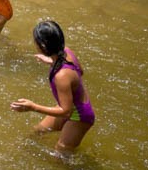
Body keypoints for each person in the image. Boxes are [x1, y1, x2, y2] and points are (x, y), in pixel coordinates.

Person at [10, 20, 96, 153]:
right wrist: (52, 61)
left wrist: (33, 107)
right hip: (70, 106)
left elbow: (65, 111)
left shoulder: (61, 76)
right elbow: (80, 71)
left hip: (79, 116)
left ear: (43, 47)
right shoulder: (67, 52)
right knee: (37, 131)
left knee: (61, 152)